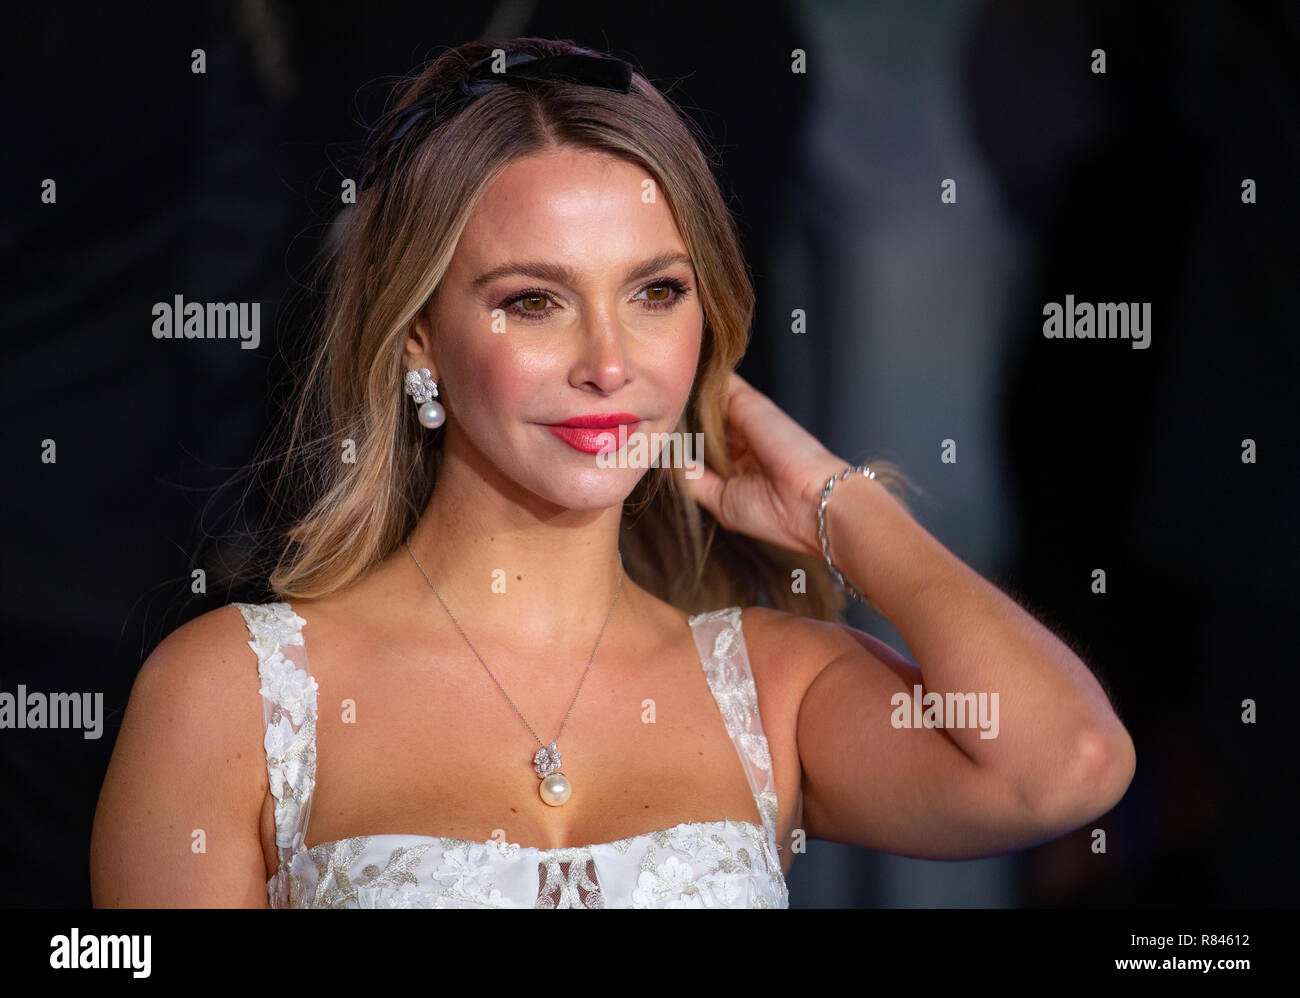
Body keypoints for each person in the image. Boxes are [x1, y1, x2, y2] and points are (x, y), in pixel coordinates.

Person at [89, 36, 1135, 909]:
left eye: (655, 293)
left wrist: (838, 502)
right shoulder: (230, 691)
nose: (607, 363)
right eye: (533, 300)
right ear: (416, 336)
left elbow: (1067, 763)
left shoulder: (771, 684)